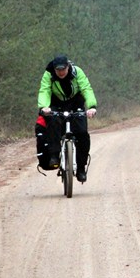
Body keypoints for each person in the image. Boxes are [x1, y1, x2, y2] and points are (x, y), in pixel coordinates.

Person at [35, 54, 97, 182]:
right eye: (58, 70)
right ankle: (54, 156)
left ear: (68, 66)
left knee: (82, 134)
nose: (61, 72)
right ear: (54, 69)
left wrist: (91, 106)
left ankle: (80, 168)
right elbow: (44, 90)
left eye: (63, 69)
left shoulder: (77, 72)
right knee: (53, 123)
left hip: (76, 103)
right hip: (56, 103)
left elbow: (86, 88)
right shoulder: (49, 74)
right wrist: (44, 107)